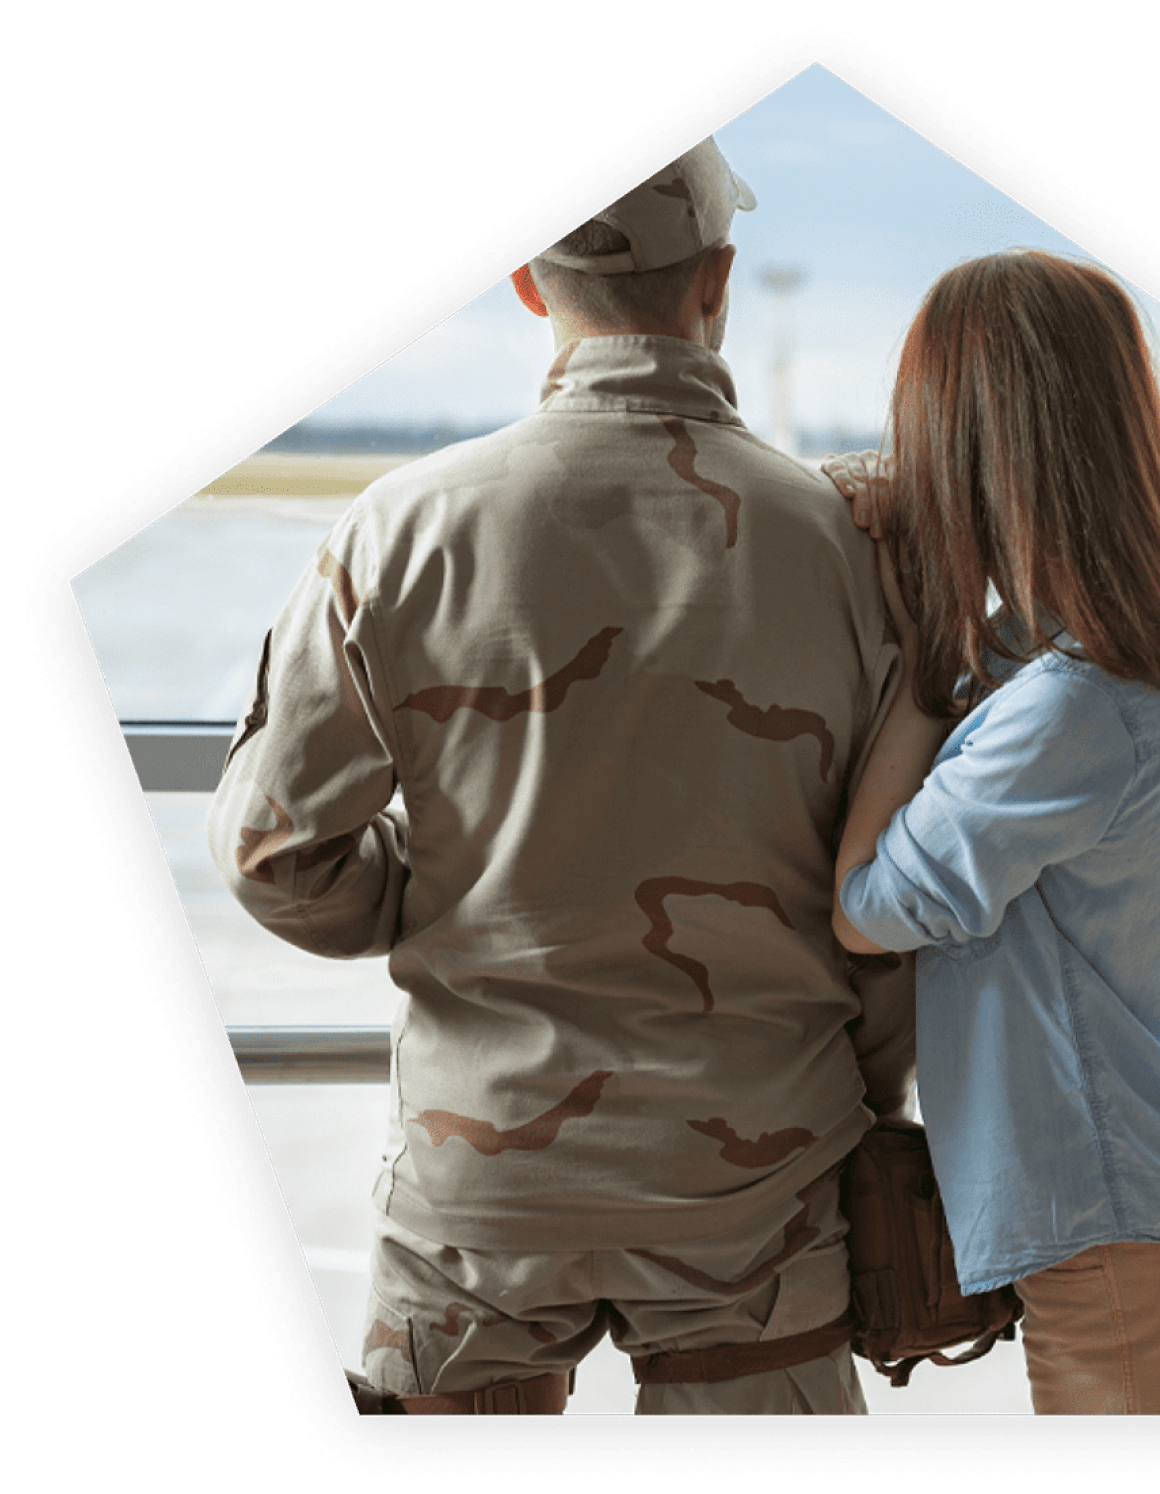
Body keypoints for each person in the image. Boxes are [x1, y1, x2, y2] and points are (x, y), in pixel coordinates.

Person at [207, 137, 913, 1417]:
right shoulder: (848, 546)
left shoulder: (400, 525)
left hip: (482, 1184)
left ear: (529, 290)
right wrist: (870, 1107)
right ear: (720, 281)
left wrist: (427, 893)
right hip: (758, 1186)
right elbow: (894, 901)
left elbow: (276, 854)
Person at [823, 250, 1160, 1416]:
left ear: (978, 448)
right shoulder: (1076, 674)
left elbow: (869, 908)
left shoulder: (1074, 710)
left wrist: (914, 622)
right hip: (1141, 1230)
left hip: (1133, 1237)